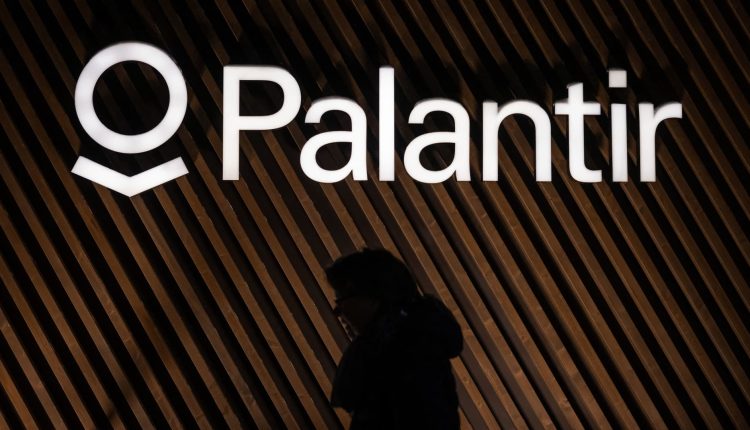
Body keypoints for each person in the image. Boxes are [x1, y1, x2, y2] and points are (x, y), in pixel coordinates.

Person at [326, 249, 463, 430]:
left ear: (371, 297)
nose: (338, 312)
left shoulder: (406, 355)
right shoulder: (403, 347)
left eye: (341, 299)